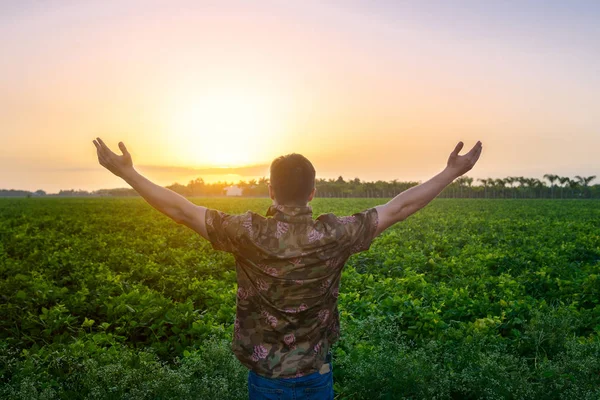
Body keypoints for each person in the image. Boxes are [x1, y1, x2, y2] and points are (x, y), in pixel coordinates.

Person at [93, 138, 482, 399]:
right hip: (317, 375)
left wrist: (127, 173)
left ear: (271, 191)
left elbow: (179, 210)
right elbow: (400, 207)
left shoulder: (247, 232)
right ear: (313, 192)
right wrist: (450, 172)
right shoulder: (336, 233)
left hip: (266, 380)